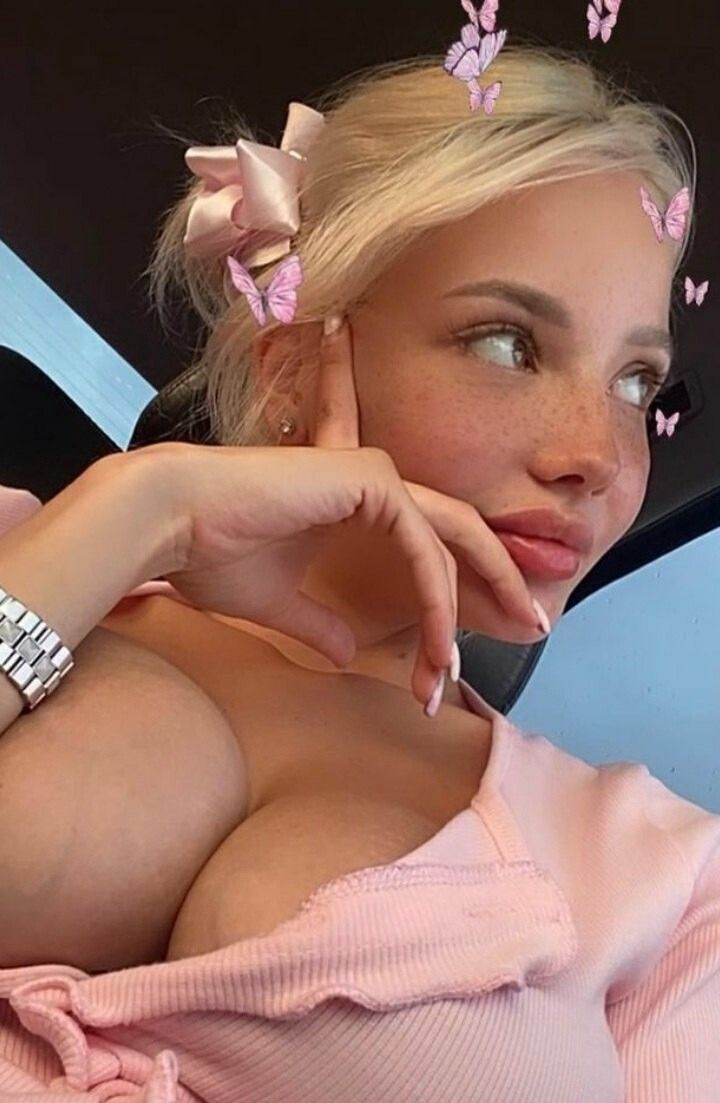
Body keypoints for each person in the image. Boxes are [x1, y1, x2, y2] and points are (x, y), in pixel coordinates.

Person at [1, 41, 719, 1103]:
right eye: (507, 343)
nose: (600, 458)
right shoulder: (41, 555)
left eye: (636, 382)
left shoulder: (672, 877)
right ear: (290, 368)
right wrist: (144, 508)